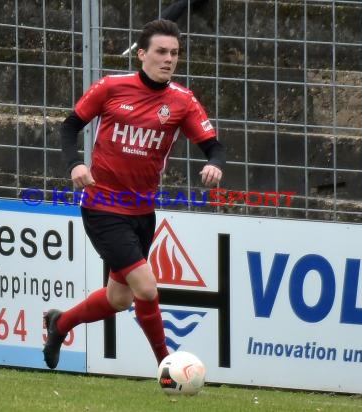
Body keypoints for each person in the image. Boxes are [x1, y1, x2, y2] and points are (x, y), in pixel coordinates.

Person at [42, 18, 225, 369]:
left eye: (174, 53)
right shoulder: (111, 87)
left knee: (118, 297)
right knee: (146, 287)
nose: (168, 59)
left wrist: (215, 164)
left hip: (142, 212)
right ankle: (167, 367)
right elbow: (70, 127)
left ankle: (59, 323)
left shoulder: (182, 101)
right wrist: (75, 165)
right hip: (103, 205)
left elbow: (213, 146)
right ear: (142, 54)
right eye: (160, 51)